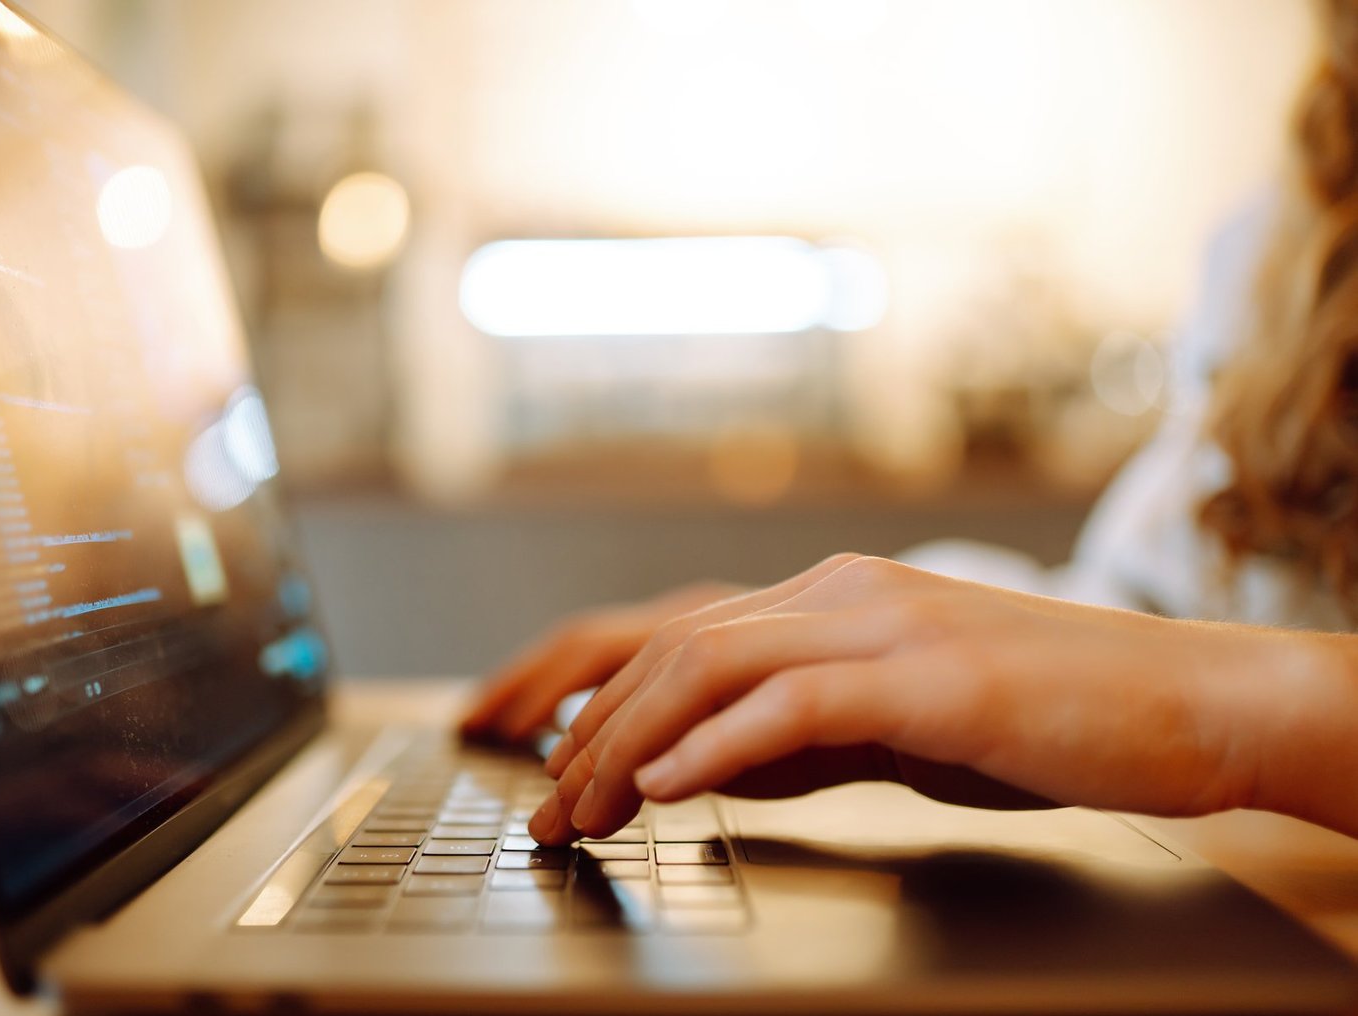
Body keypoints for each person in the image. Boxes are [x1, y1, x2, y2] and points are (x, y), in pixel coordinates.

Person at [460, 0, 1358, 845]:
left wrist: (1226, 705)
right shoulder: (1286, 228)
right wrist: (829, 638)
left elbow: (1190, 669)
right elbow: (1163, 605)